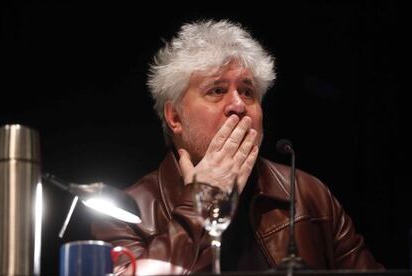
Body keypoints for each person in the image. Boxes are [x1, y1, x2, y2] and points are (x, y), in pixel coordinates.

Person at [92, 19, 383, 273]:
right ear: (175, 117)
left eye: (247, 91)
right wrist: (200, 204)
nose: (238, 105)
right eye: (217, 91)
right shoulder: (125, 215)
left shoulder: (309, 194)